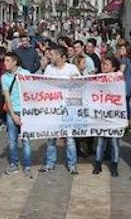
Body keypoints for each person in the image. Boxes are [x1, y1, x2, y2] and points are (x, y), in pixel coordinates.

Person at [41, 45, 81, 174]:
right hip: (52, 108)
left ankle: (72, 164)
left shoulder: (72, 68)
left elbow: (79, 85)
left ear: (60, 56)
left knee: (69, 138)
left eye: (52, 54)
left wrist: (75, 81)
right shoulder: (48, 68)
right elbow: (44, 85)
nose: (49, 57)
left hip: (68, 107)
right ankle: (50, 163)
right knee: (51, 137)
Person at [2, 52, 32, 175]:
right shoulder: (4, 77)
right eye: (5, 60)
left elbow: (32, 93)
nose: (5, 63)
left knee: (26, 139)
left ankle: (27, 164)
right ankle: (14, 163)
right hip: (12, 110)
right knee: (12, 140)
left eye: (8, 60)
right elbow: (6, 97)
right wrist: (13, 114)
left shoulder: (26, 74)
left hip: (26, 111)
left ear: (15, 62)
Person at [94, 55, 121, 177]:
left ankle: (114, 166)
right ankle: (98, 164)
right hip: (101, 115)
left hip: (114, 115)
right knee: (100, 141)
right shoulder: (97, 78)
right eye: (103, 64)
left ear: (114, 67)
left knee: (114, 142)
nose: (104, 66)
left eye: (107, 64)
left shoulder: (118, 79)